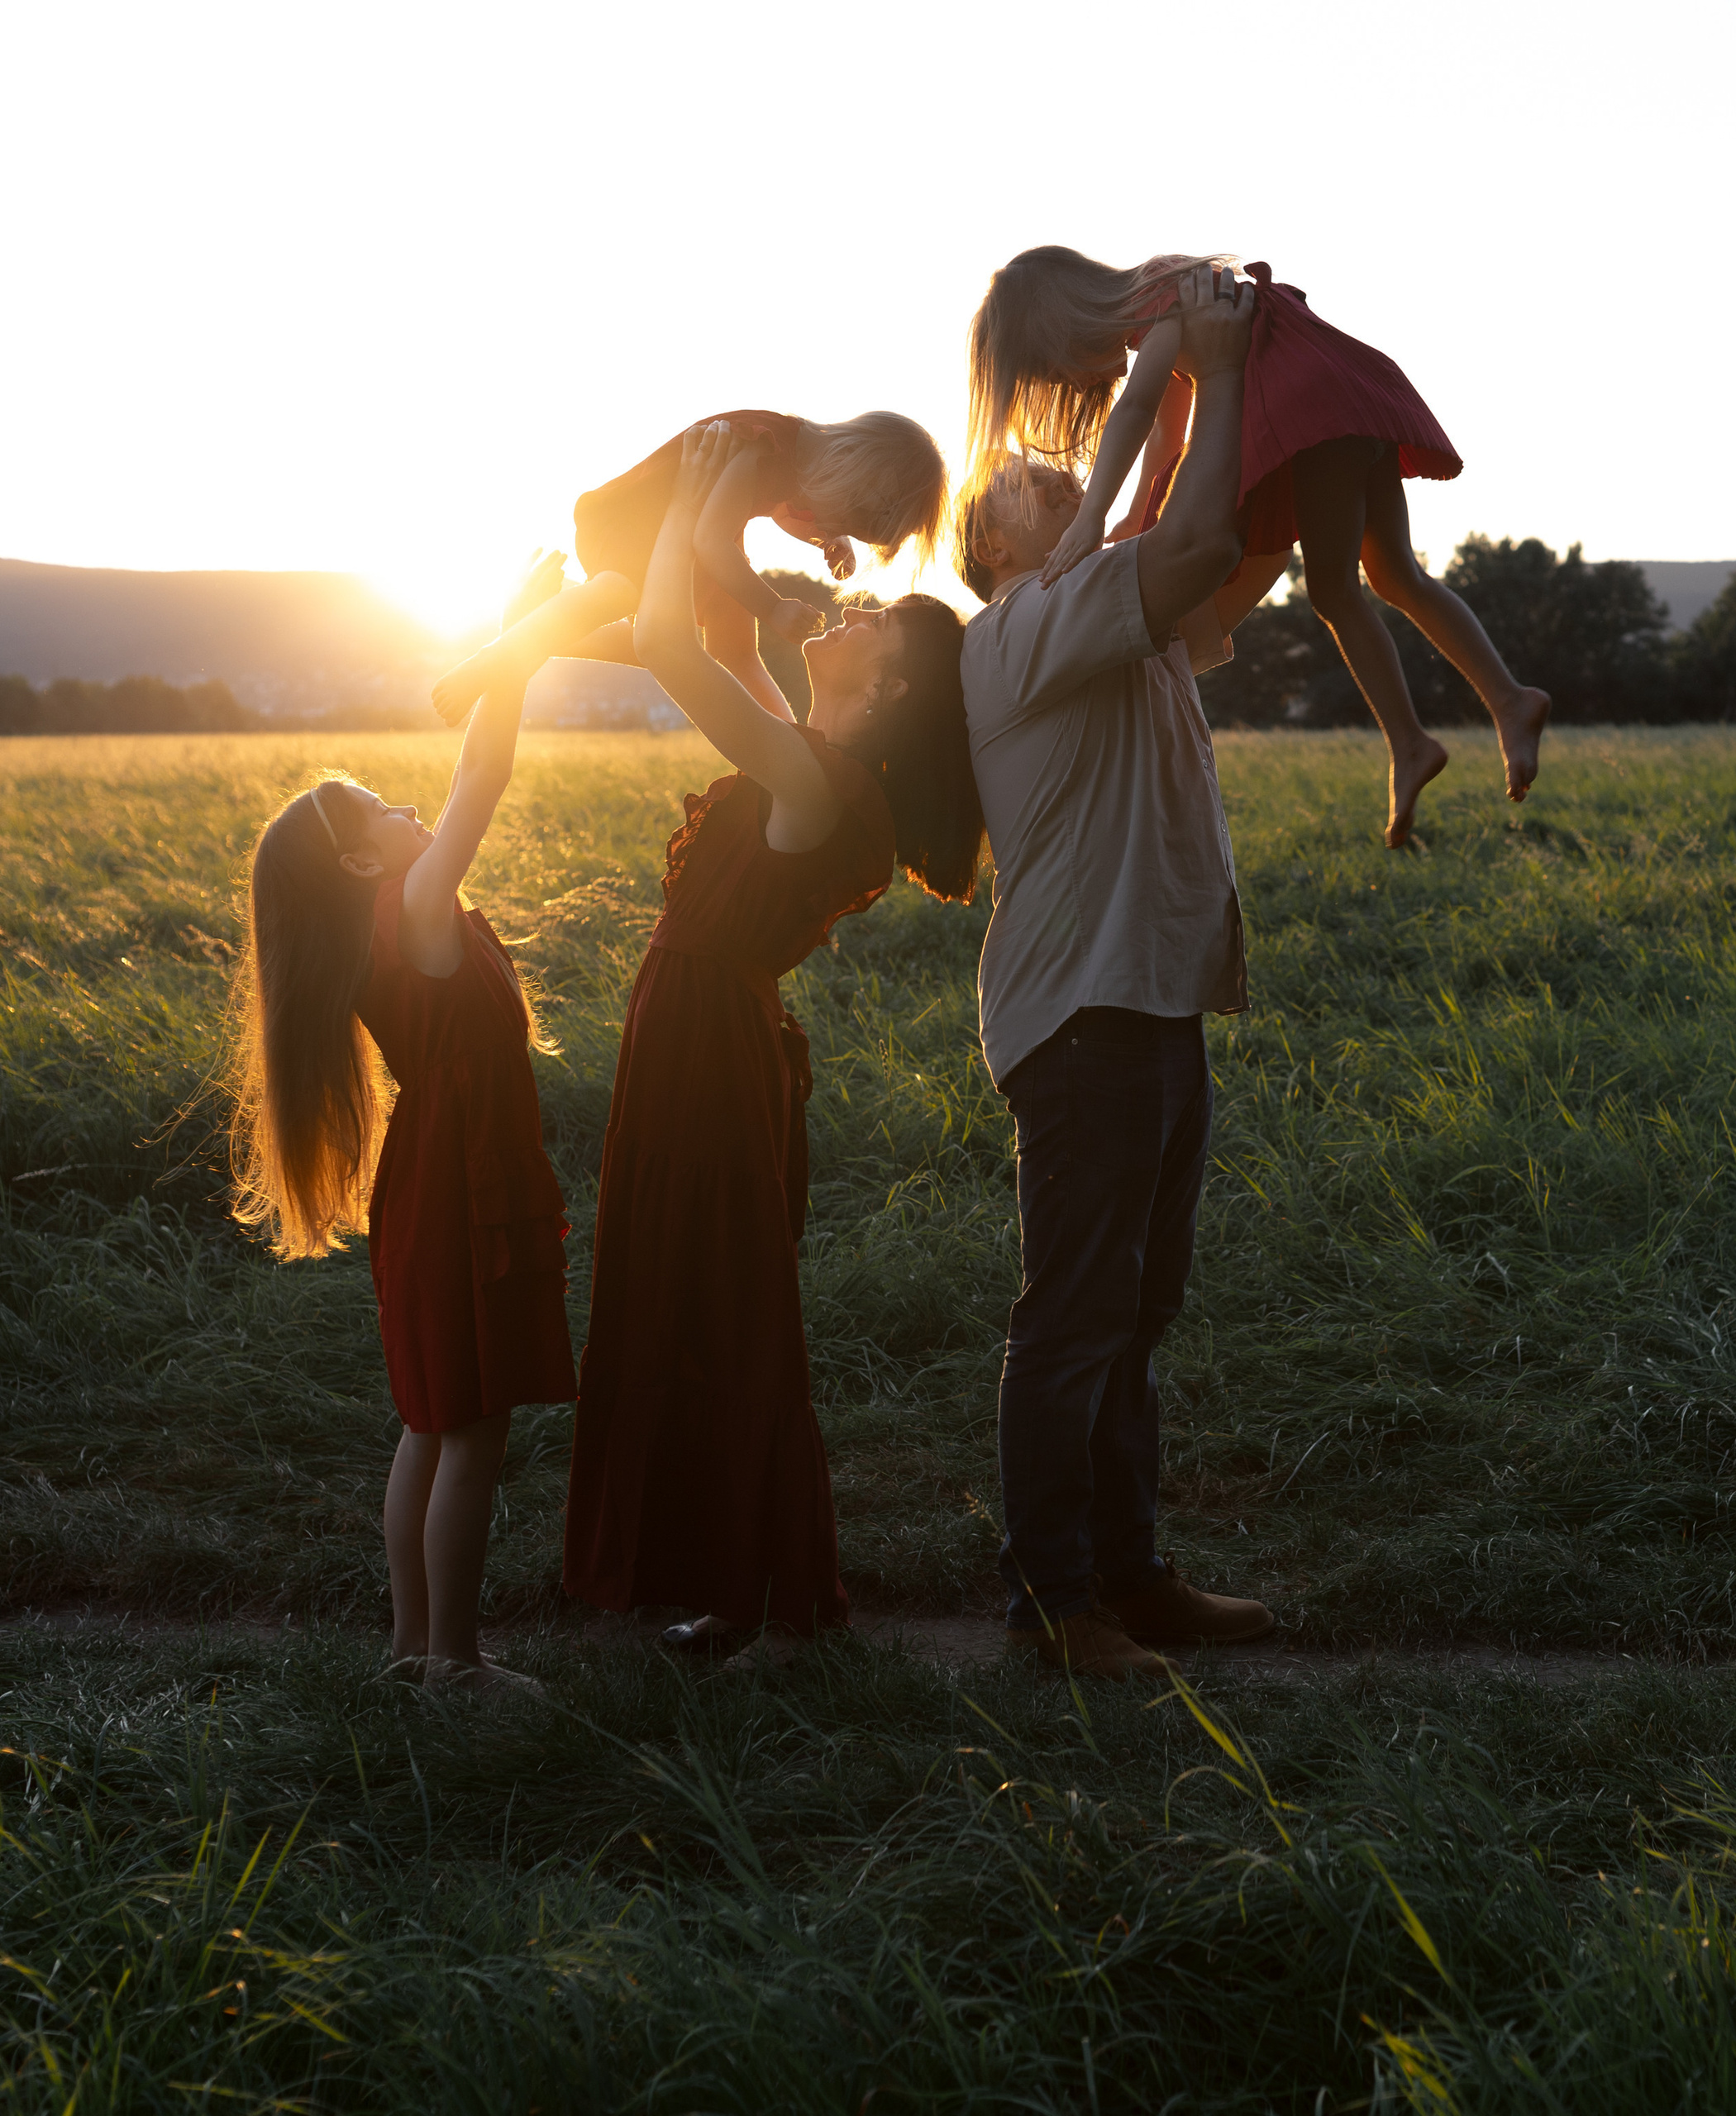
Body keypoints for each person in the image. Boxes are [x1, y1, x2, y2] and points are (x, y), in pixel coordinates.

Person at [560, 423, 981, 1651]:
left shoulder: (825, 788)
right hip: (696, 1042)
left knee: (715, 1317)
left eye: (869, 626)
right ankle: (741, 1593)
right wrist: (722, 521)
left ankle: (774, 1600)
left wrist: (700, 503)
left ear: (890, 689)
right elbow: (727, 639)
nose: (845, 615)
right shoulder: (815, 763)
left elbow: (662, 644)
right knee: (695, 1306)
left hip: (704, 1055)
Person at [953, 264, 1275, 1681]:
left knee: (1135, 1314)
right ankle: (1052, 1607)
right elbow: (1178, 524)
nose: (1049, 472)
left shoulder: (1112, 620)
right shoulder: (1021, 633)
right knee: (1074, 1322)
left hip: (1145, 1001)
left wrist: (1218, 371)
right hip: (1081, 1017)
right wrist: (1174, 364)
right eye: (1029, 482)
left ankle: (1132, 1582)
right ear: (998, 545)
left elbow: (1217, 544)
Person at [227, 565, 576, 1691]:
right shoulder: (414, 909)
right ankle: (459, 1668)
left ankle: (413, 1656)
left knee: (431, 1423)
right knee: (468, 1431)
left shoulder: (400, 917)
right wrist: (521, 642)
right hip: (459, 1190)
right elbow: (487, 768)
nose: (408, 804)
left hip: (438, 1183)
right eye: (382, 806)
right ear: (366, 860)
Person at [966, 246, 1552, 846]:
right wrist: (1133, 520)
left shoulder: (1157, 302)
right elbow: (1170, 431)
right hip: (1340, 387)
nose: (1080, 383)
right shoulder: (1166, 300)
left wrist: (1091, 520)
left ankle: (1413, 742)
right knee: (1396, 574)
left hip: (1313, 404)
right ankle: (1507, 698)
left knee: (1332, 589)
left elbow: (1139, 411)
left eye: (1061, 369)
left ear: (1063, 324)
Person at [430, 407, 948, 722]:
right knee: (619, 594)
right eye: (849, 518)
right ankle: (493, 659)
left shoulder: (797, 460)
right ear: (855, 478)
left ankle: (793, 741)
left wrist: (825, 536)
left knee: (726, 651)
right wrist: (772, 609)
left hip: (698, 538)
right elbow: (712, 539)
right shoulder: (762, 447)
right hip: (643, 524)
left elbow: (782, 508)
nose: (833, 524)